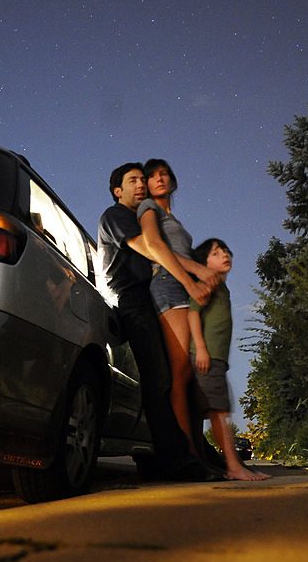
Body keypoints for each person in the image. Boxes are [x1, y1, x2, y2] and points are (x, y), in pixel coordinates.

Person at [98, 163, 221, 482]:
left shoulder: (144, 218)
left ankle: (189, 453)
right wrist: (195, 273)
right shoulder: (116, 216)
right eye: (132, 181)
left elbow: (161, 249)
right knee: (160, 380)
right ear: (118, 191)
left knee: (180, 378)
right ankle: (177, 461)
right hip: (132, 301)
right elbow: (152, 250)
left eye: (143, 180)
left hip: (152, 300)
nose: (141, 185)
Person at [137, 158, 220, 454]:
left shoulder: (175, 219)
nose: (159, 179)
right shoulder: (148, 208)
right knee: (181, 371)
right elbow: (156, 248)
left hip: (186, 287)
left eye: (164, 174)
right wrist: (193, 278)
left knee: (195, 375)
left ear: (172, 180)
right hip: (169, 285)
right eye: (153, 175)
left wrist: (205, 275)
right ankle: (186, 454)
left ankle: (197, 450)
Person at [188, 238, 270, 481]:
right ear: (204, 262)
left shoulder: (223, 288)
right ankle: (234, 466)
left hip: (217, 359)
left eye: (225, 250)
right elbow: (193, 314)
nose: (224, 254)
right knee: (219, 411)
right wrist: (201, 348)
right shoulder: (209, 283)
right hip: (207, 357)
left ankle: (227, 464)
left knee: (215, 410)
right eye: (216, 252)